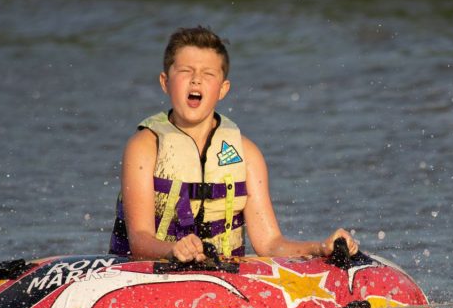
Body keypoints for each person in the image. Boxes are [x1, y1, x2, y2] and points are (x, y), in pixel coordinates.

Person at [109, 26, 358, 263]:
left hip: (222, 273)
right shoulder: (144, 147)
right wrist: (173, 250)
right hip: (149, 272)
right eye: (185, 71)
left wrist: (321, 248)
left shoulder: (247, 154)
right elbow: (140, 241)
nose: (196, 80)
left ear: (222, 89)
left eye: (208, 74)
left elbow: (270, 244)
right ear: (165, 82)